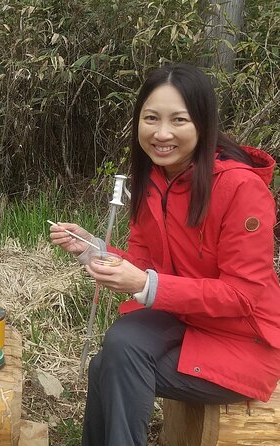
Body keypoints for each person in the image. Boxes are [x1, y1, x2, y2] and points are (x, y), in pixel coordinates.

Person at [49, 63, 280, 445]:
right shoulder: (154, 179)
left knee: (115, 358)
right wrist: (93, 250)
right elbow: (146, 267)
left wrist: (146, 284)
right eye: (151, 118)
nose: (162, 133)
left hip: (242, 341)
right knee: (118, 351)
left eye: (179, 120)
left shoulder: (242, 189)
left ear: (203, 124)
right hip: (182, 320)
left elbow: (243, 296)